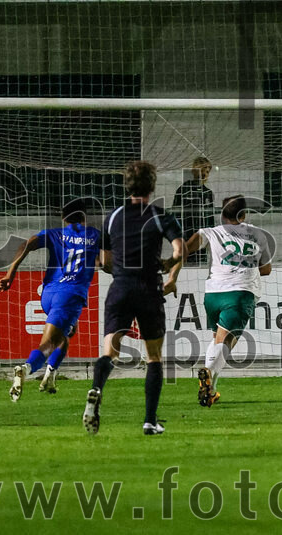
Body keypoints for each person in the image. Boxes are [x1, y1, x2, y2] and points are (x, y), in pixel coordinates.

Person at [84, 160, 184, 436]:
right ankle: (150, 421)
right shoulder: (160, 216)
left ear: (126, 185)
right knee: (153, 357)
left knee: (110, 350)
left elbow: (104, 261)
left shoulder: (113, 217)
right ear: (152, 186)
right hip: (148, 288)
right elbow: (179, 249)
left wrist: (123, 271)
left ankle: (96, 388)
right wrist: (166, 267)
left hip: (121, 287)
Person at [0, 199, 101, 400]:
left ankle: (50, 375)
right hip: (70, 294)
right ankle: (26, 369)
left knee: (66, 334)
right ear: (84, 216)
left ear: (63, 218)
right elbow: (106, 262)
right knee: (48, 344)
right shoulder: (95, 235)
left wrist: (10, 273)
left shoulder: (54, 233)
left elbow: (25, 245)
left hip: (48, 294)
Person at [185, 195, 274, 407]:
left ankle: (210, 392)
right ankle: (208, 372)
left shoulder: (210, 232)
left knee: (218, 340)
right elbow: (267, 269)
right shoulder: (258, 235)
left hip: (212, 294)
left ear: (222, 214)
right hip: (240, 294)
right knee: (226, 343)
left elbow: (185, 250)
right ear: (244, 215)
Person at [172, 156, 214, 265]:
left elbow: (210, 218)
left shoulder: (208, 193)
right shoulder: (183, 190)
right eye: (201, 170)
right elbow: (174, 215)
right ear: (194, 171)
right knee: (185, 266)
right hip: (186, 238)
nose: (204, 174)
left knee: (201, 266)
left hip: (202, 239)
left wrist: (211, 237)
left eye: (207, 171)